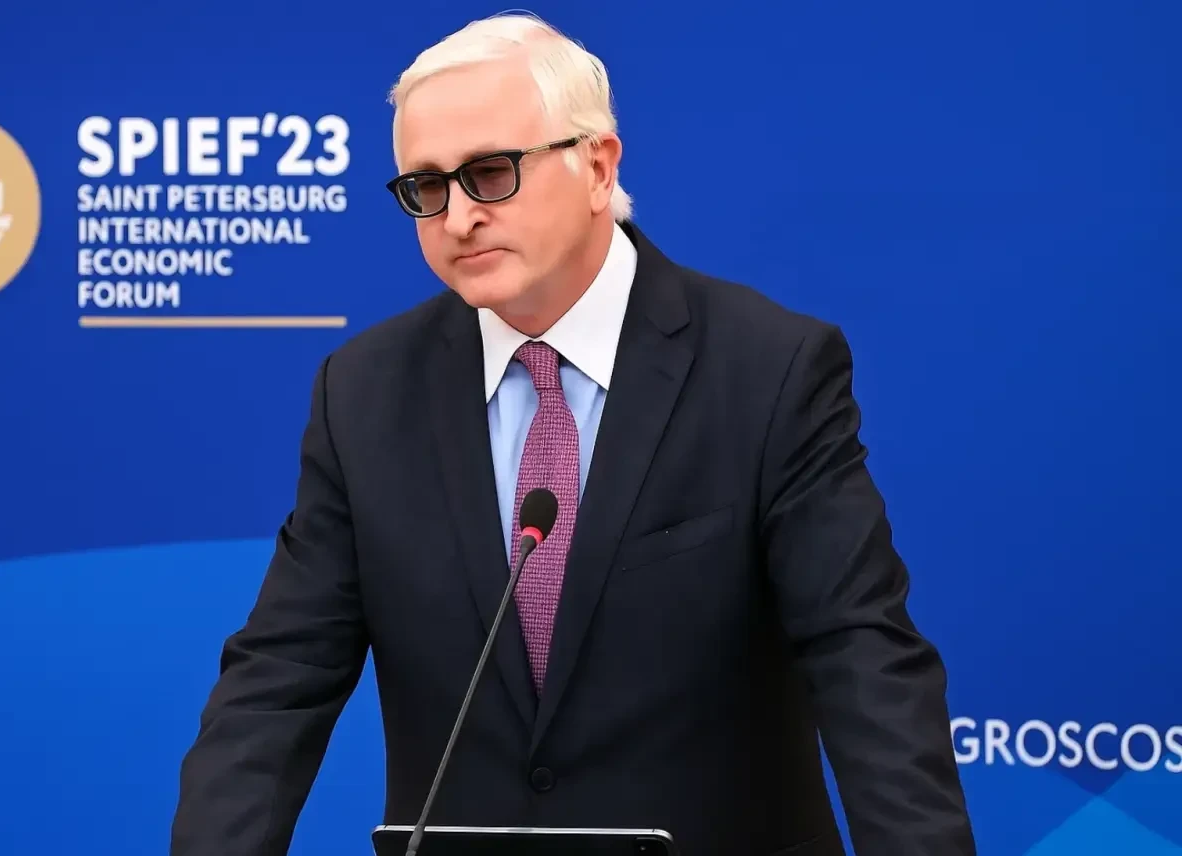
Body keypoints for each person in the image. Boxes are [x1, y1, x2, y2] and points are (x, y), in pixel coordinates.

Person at [170, 12, 976, 856]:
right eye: (426, 188)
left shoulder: (768, 368)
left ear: (598, 165)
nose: (458, 217)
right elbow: (280, 677)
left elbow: (862, 658)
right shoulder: (365, 393)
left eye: (490, 173)